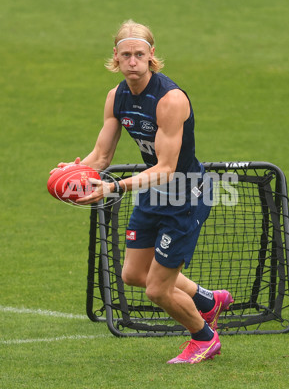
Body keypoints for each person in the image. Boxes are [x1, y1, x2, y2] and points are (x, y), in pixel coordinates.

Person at [56, 20, 233, 364]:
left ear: (151, 56)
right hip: (153, 190)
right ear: (116, 58)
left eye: (140, 54)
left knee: (157, 289)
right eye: (126, 55)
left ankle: (204, 338)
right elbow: (102, 155)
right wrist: (74, 171)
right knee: (134, 274)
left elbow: (167, 167)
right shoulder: (117, 96)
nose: (133, 61)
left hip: (184, 194)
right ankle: (209, 302)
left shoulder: (170, 100)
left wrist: (112, 187)